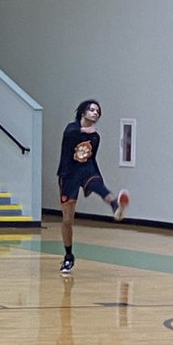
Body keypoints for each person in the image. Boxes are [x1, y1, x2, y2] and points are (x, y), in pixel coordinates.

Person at [57, 99, 130, 274]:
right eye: (92, 110)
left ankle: (116, 207)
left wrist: (96, 180)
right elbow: (71, 136)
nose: (95, 113)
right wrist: (84, 130)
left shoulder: (95, 137)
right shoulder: (71, 129)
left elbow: (91, 158)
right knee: (67, 221)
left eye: (98, 111)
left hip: (87, 170)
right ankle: (68, 256)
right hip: (68, 175)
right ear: (83, 112)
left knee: (100, 187)